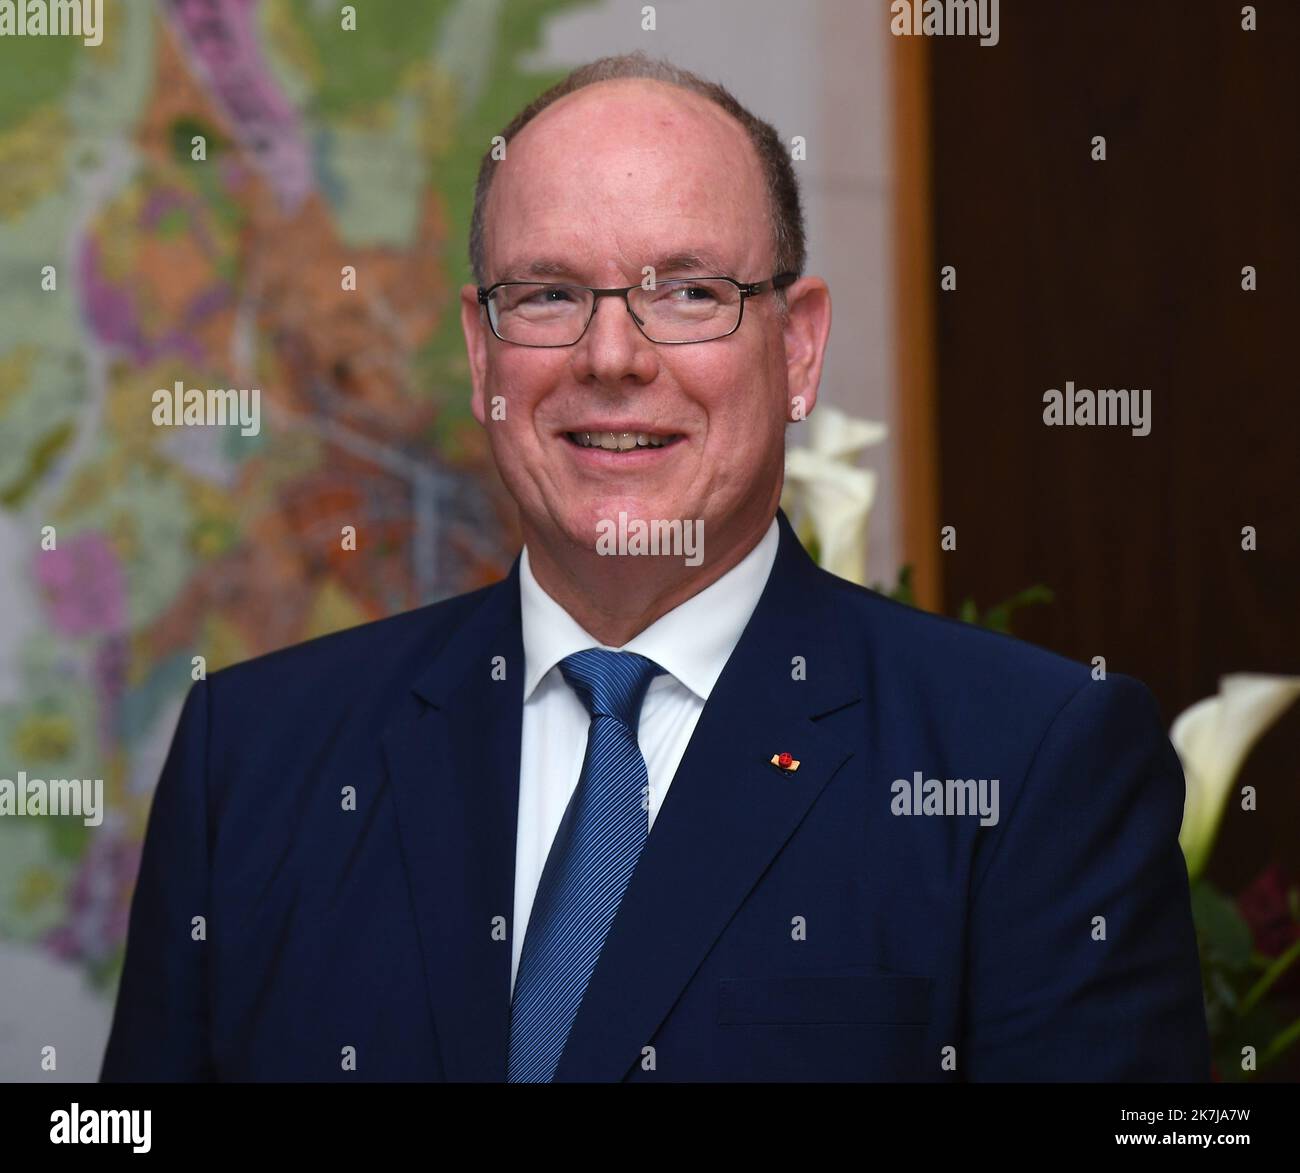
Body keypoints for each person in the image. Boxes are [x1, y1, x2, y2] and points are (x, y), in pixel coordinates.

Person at [102, 52, 1209, 1082]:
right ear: (481, 353)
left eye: (687, 291)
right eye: (546, 294)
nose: (612, 356)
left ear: (798, 348)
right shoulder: (247, 763)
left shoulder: (1028, 770)